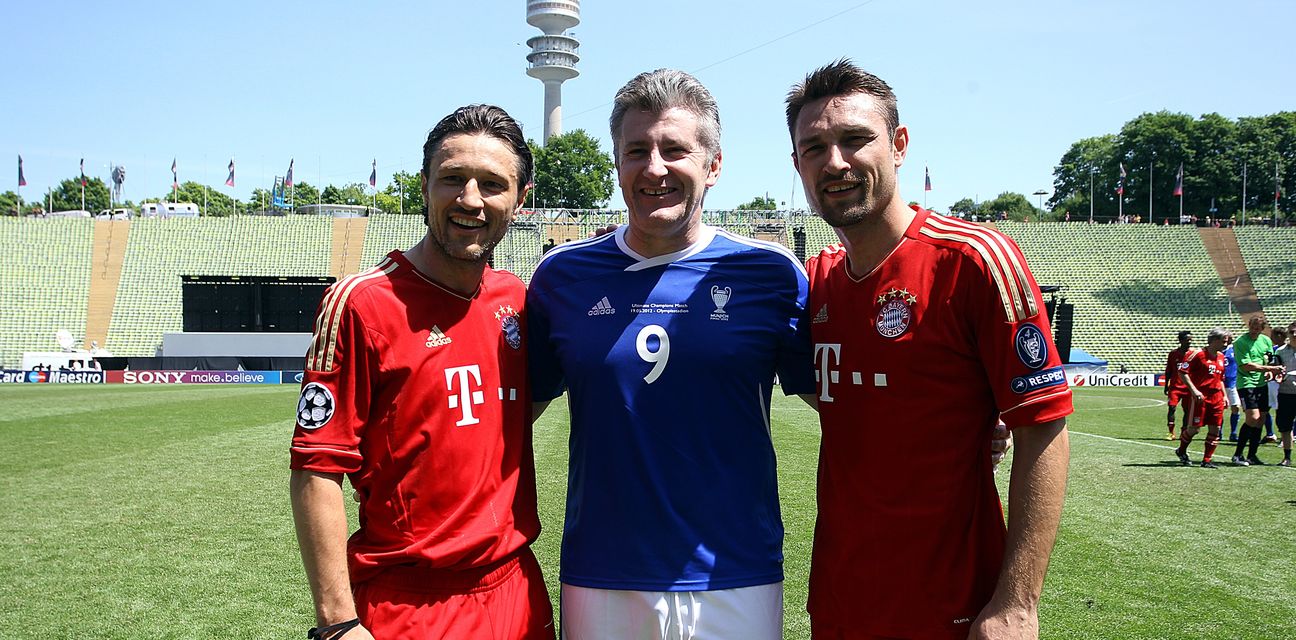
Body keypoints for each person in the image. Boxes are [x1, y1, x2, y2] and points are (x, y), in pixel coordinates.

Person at [786, 59, 1072, 639]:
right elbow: (852, 393)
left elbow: (1043, 426)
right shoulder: (814, 282)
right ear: (797, 165)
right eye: (814, 147)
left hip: (953, 605)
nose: (835, 162)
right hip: (840, 602)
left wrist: (1017, 603)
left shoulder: (974, 262)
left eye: (855, 139)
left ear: (899, 144)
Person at [527, 69, 816, 639]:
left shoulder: (772, 273)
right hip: (601, 575)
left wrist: (966, 426)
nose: (654, 167)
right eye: (636, 150)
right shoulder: (560, 277)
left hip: (736, 574)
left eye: (674, 150)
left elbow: (848, 410)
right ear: (617, 165)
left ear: (713, 166)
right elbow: (506, 419)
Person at [289, 105, 553, 640]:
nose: (471, 200)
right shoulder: (362, 304)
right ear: (425, 185)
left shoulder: (517, 301)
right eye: (452, 179)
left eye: (492, 184)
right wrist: (338, 623)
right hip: (411, 603)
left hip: (517, 590)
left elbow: (518, 402)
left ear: (520, 199)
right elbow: (316, 469)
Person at [1229, 316, 1285, 466]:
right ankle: (1238, 454)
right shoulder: (1240, 342)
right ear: (1249, 325)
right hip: (1247, 383)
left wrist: (1270, 372)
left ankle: (1252, 455)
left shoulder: (1265, 341)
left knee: (1261, 419)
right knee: (1252, 418)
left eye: (1257, 327)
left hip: (1262, 384)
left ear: (1262, 328)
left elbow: (1269, 359)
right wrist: (1270, 369)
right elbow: (1246, 365)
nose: (1254, 329)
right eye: (1252, 325)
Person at [1176, 328, 1230, 468]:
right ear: (1215, 340)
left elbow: (1221, 379)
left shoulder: (1221, 357)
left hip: (1216, 397)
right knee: (1194, 429)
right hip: (1201, 397)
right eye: (1224, 341)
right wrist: (1194, 391)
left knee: (1215, 429)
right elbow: (1182, 372)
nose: (1226, 344)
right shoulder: (1197, 354)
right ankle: (1181, 450)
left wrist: (1224, 396)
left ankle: (1206, 460)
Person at [1163, 331, 1195, 440]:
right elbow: (1169, 371)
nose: (1190, 342)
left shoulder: (1194, 354)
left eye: (1191, 339)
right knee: (1171, 408)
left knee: (1187, 410)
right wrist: (1166, 385)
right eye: (1187, 340)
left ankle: (1183, 432)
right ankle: (1170, 432)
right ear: (1181, 341)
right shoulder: (1173, 354)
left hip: (1188, 387)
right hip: (1175, 387)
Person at [1274, 322, 1296, 466]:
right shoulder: (1280, 351)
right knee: (1285, 426)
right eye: (1292, 332)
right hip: (1286, 393)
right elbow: (1276, 370)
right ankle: (1287, 457)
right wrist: (1277, 376)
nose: (1294, 335)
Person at [1262, 326, 1288, 443]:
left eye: (1273, 335)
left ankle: (1286, 436)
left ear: (1280, 336)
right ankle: (1270, 434)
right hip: (1270, 383)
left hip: (1280, 384)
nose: (1271, 337)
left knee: (1282, 410)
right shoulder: (1272, 349)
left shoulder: (1286, 350)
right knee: (1265, 408)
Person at [1223, 334, 1242, 441]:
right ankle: (1219, 432)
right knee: (1220, 409)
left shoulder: (1234, 349)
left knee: (1235, 407)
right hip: (1220, 384)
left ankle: (1233, 433)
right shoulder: (1217, 351)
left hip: (1233, 383)